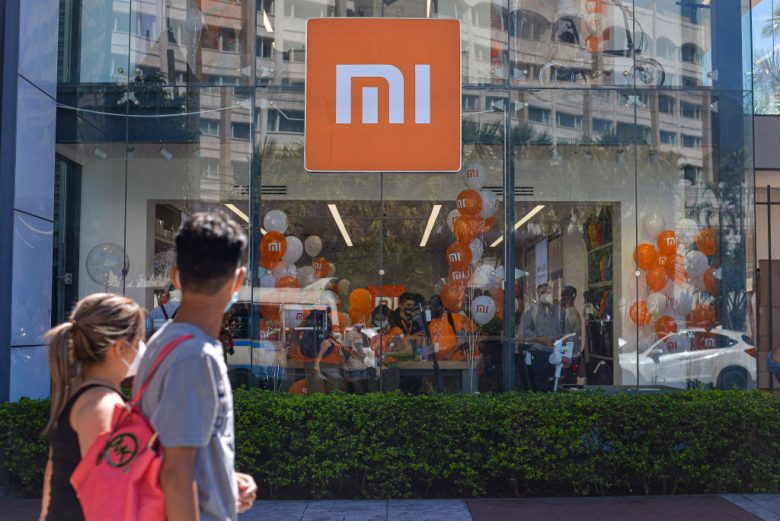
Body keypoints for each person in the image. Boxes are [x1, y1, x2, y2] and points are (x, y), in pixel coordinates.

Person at [133, 211, 257, 521]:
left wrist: (223, 481)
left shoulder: (164, 342)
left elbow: (177, 450)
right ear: (238, 280)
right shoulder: (195, 356)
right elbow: (176, 473)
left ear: (175, 277)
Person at [40, 293, 145, 521]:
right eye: (138, 340)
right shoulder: (103, 406)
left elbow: (52, 473)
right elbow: (108, 494)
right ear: (119, 347)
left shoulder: (85, 396)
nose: (141, 349)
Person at [520, 283, 564, 352]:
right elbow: (524, 330)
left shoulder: (559, 311)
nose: (546, 296)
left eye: (548, 293)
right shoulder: (531, 310)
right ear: (538, 294)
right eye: (543, 293)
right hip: (539, 351)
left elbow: (566, 331)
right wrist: (539, 339)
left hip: (557, 351)